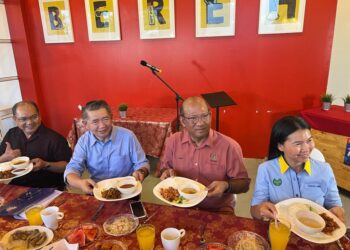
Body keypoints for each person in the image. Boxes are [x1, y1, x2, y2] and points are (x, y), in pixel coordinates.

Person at [159, 96, 250, 213]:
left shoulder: (229, 146)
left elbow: (244, 184)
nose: (200, 123)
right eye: (193, 118)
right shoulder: (173, 141)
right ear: (183, 121)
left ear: (210, 115)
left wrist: (226, 186)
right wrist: (166, 172)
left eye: (204, 116)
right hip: (181, 203)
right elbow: (165, 169)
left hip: (217, 209)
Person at [250, 116, 346, 223]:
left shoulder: (325, 170)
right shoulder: (266, 169)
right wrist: (260, 210)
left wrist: (337, 211)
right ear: (281, 146)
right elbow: (255, 210)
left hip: (315, 231)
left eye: (309, 140)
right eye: (298, 144)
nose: (306, 148)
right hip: (281, 228)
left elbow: (334, 204)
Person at [64, 100, 150, 194]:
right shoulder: (84, 142)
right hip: (97, 190)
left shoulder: (128, 136)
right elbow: (72, 168)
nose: (102, 126)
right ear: (85, 124)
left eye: (105, 119)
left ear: (111, 118)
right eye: (95, 122)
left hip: (127, 189)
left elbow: (142, 163)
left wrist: (141, 171)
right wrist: (80, 183)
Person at [0, 101, 72, 190]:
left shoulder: (55, 139)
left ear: (39, 115)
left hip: (48, 188)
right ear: (15, 119)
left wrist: (46, 164)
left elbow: (67, 166)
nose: (30, 122)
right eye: (23, 119)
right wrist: (4, 158)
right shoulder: (11, 134)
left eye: (34, 117)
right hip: (16, 186)